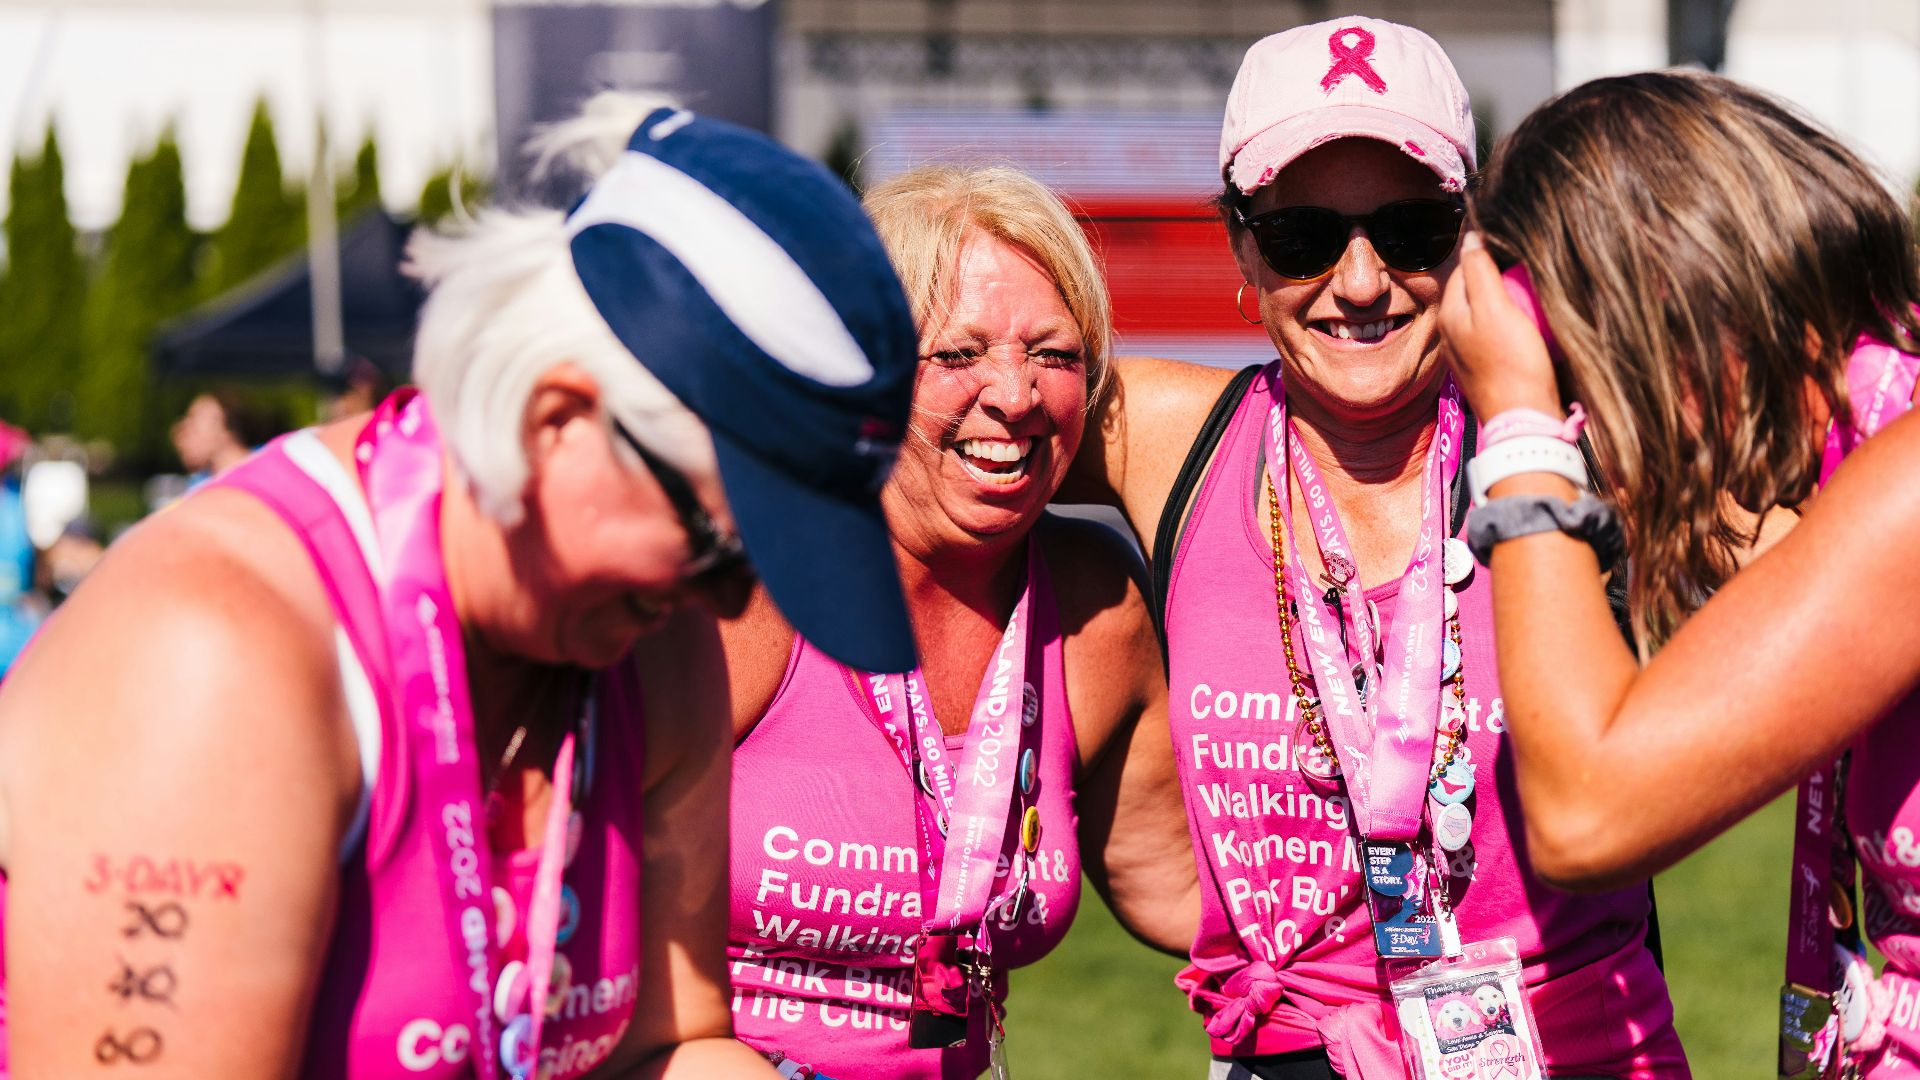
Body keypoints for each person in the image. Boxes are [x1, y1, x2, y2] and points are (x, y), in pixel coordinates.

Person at [0, 93, 920, 1079]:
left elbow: (670, 1044)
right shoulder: (215, 658)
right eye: (725, 548)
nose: (733, 603)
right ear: (555, 418)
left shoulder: (652, 639)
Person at [1056, 17, 1687, 1078]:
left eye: (1411, 231)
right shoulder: (1169, 440)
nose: (1359, 282)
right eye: (1303, 237)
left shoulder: (1586, 444)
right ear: (1240, 243)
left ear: (1475, 232)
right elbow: (894, 419)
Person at [1437, 69, 1920, 1076]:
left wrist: (1519, 425)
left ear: (1658, 311)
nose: (1591, 438)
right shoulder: (1866, 467)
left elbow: (1587, 813)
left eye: (1577, 372)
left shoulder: (1908, 480)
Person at [718, 164, 1196, 1080]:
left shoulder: (1095, 609)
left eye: (1053, 354)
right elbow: (585, 914)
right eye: (958, 353)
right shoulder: (752, 581)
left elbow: (1195, 895)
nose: (1013, 395)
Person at [172, 388, 281, 487]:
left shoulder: (272, 472)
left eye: (193, 423)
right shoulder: (198, 485)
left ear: (226, 430)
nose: (181, 433)